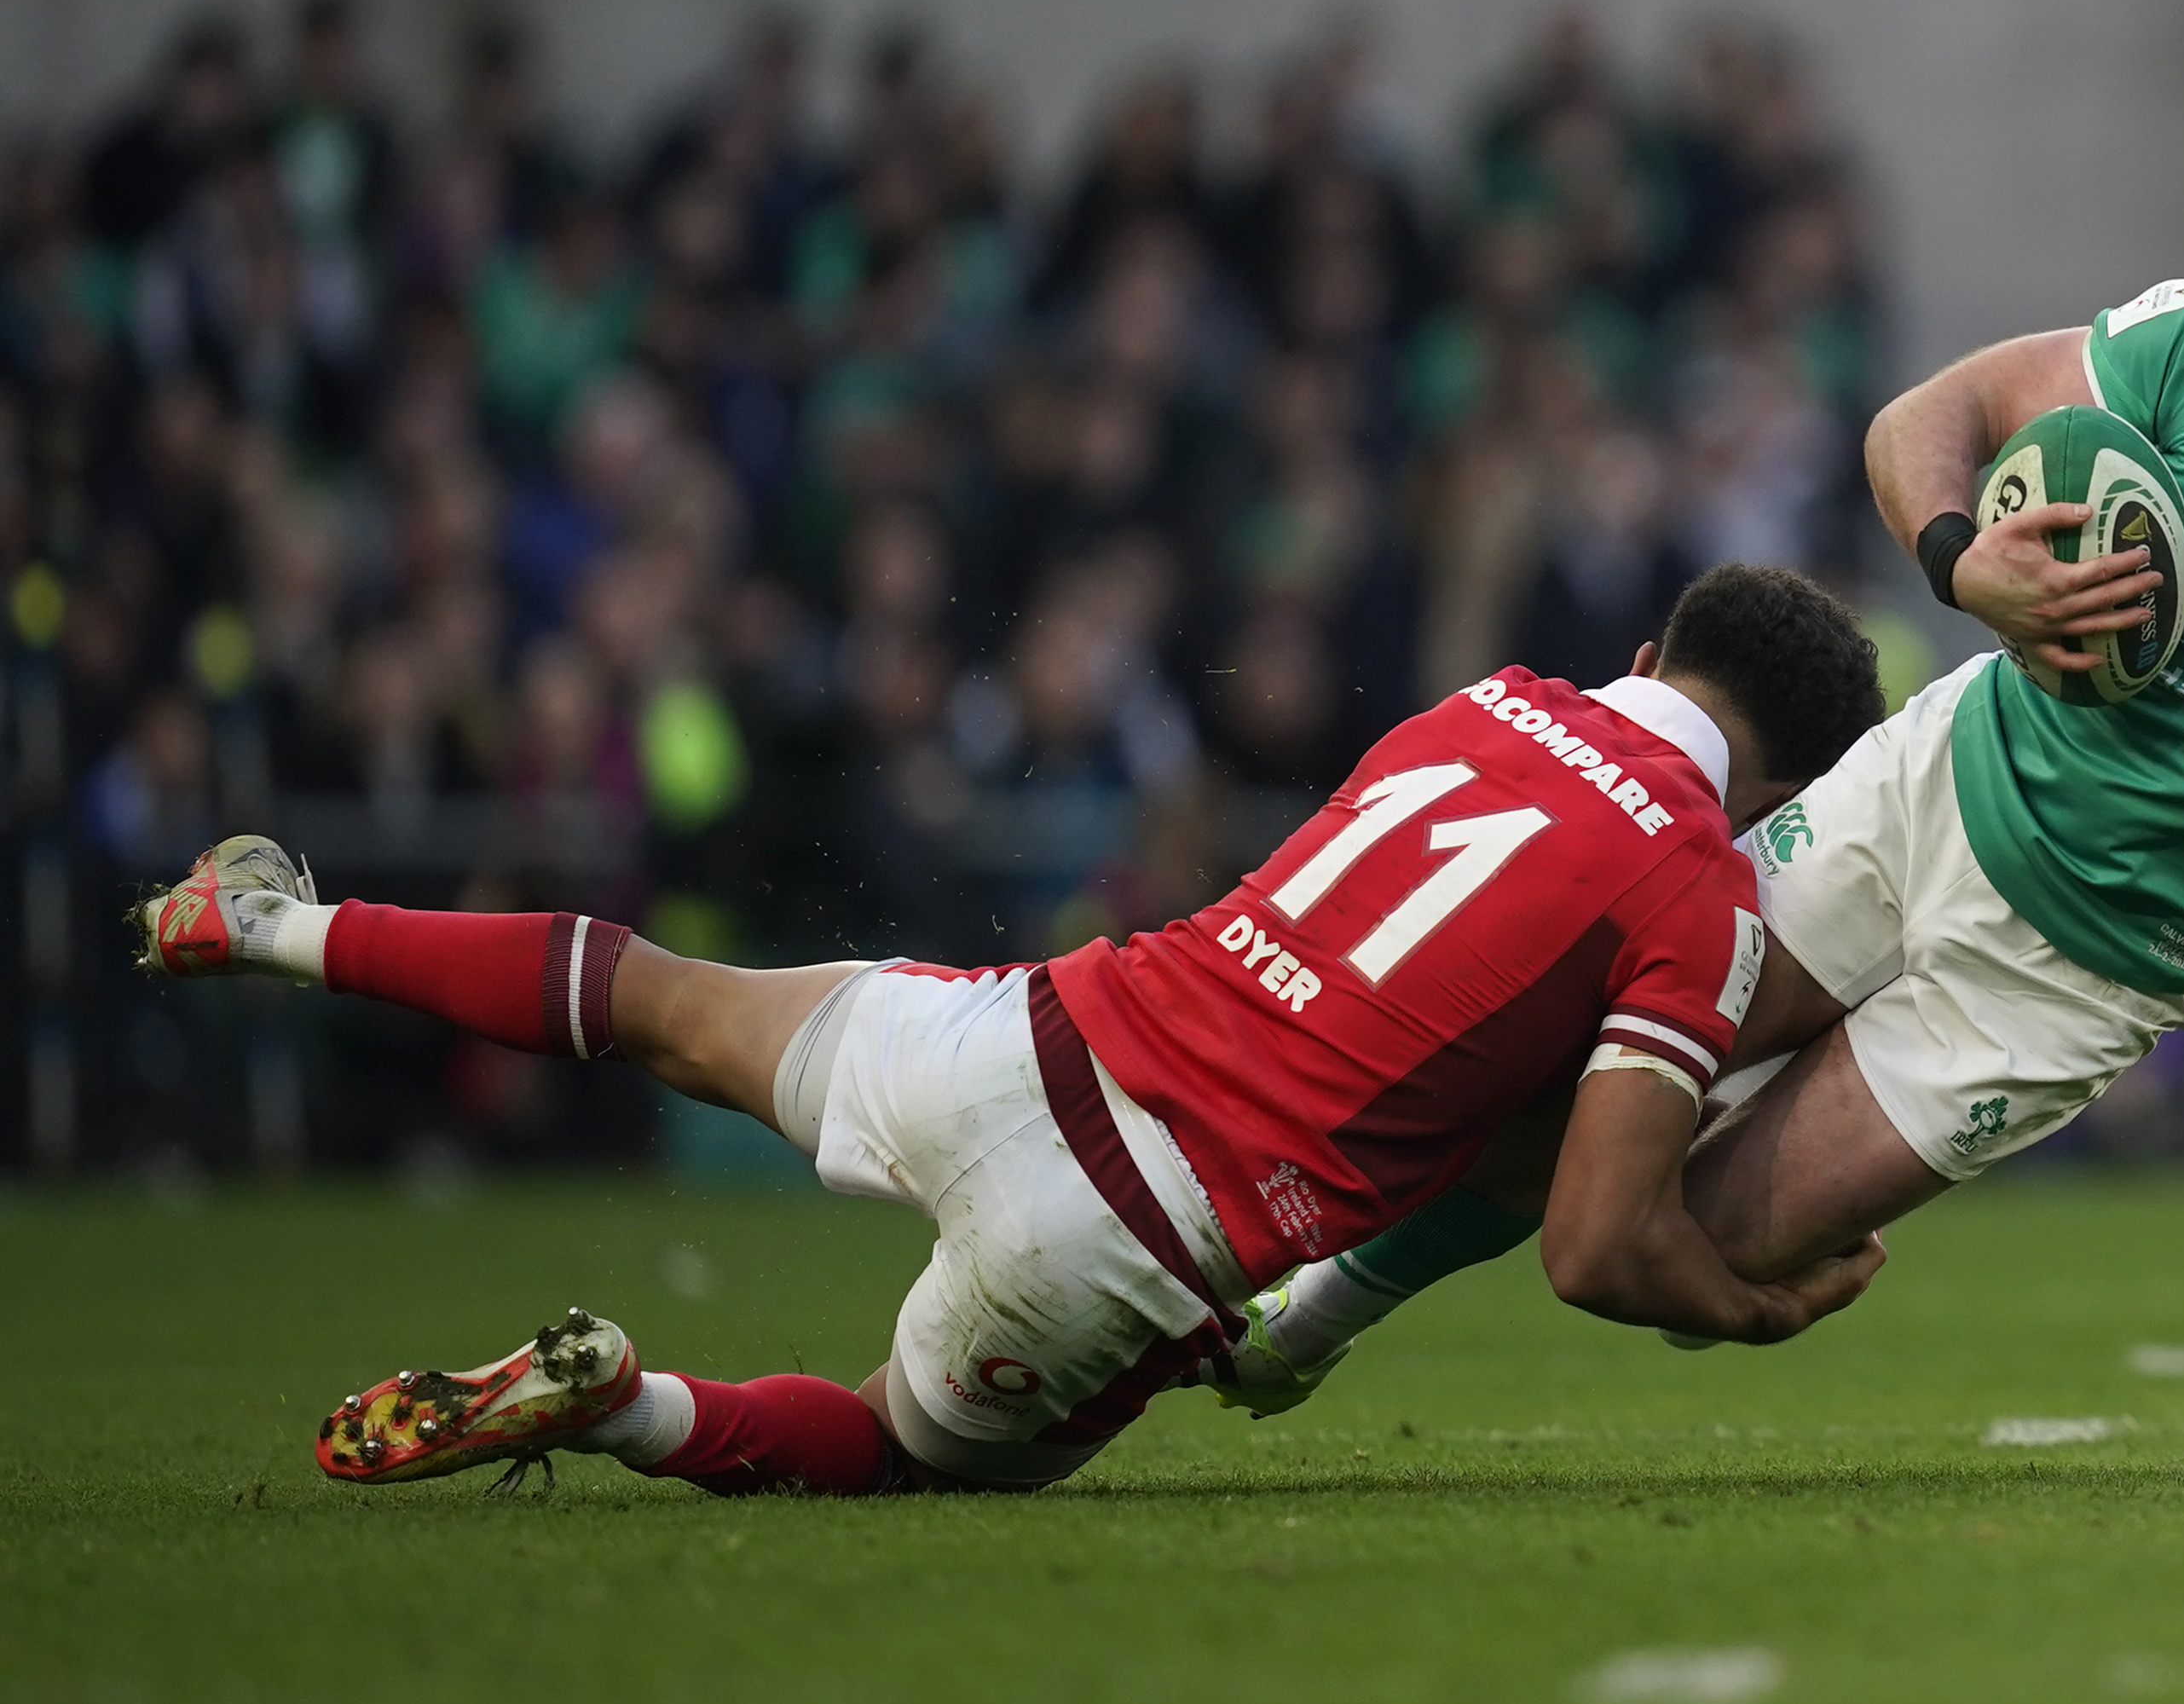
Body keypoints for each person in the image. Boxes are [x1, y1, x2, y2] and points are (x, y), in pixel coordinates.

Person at [1213, 142, 2184, 1413]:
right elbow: (1932, 415)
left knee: (1684, 1250)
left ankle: (1637, 1257)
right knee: (1565, 1086)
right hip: (1926, 796)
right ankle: (1300, 1310)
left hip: (2069, 978)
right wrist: (1965, 565)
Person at [134, 563, 1886, 1495]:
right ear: (1780, 792)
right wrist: (1757, 1298)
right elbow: (1591, 1236)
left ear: (1647, 643)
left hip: (1031, 1030)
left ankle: (274, 921)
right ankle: (621, 1405)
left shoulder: (1487, 703)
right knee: (899, 1450)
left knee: (659, 997)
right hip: (1132, 1234)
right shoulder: (1699, 894)